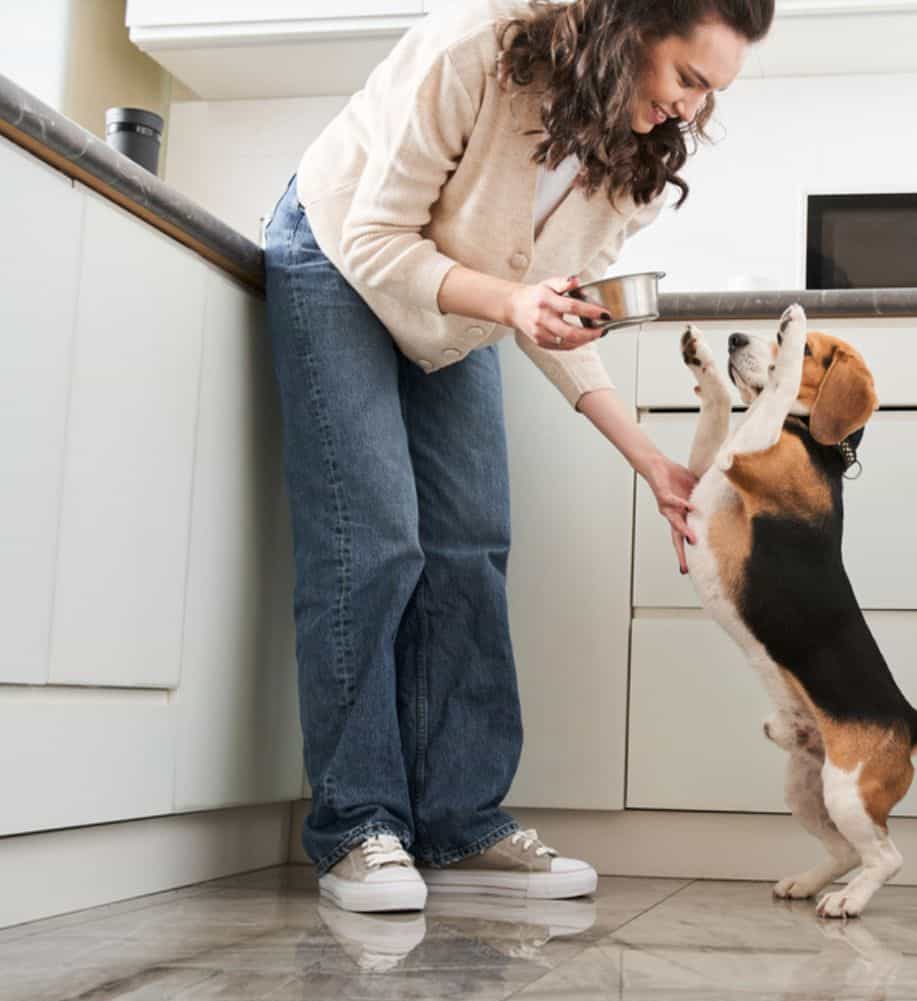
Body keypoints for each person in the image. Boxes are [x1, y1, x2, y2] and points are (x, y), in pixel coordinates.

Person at [262, 0, 773, 913]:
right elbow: (379, 241)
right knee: (373, 540)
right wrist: (510, 304)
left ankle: (459, 823)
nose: (692, 110)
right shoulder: (481, 48)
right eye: (687, 79)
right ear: (629, 29)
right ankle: (358, 827)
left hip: (454, 309)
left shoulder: (639, 161)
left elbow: (560, 318)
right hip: (336, 256)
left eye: (712, 94)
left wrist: (651, 461)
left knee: (472, 543)